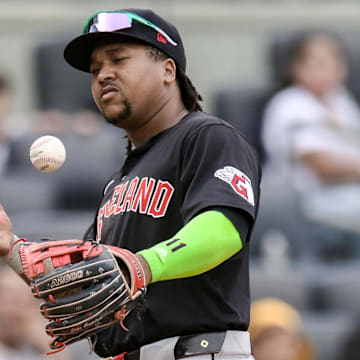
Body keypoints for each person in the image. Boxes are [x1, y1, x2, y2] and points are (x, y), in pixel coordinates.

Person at [0, 8, 261, 360]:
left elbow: (224, 229)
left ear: (168, 69)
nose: (104, 75)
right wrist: (12, 249)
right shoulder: (119, 180)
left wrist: (142, 265)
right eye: (95, 70)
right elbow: (87, 281)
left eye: (118, 59)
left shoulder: (206, 137)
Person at [261, 30, 360, 253]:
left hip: (344, 197)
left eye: (335, 62)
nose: (329, 69)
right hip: (304, 200)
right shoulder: (290, 104)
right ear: (298, 68)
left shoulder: (342, 102)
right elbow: (320, 164)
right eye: (319, 63)